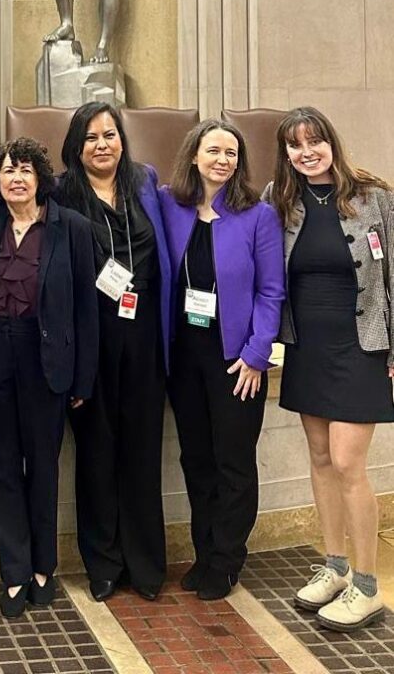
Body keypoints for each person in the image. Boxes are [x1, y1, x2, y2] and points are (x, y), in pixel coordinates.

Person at [267, 107, 394, 630]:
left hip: (361, 346)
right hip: (307, 348)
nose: (306, 151)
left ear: (330, 142)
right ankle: (337, 567)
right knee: (319, 459)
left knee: (347, 463)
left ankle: (368, 585)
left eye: (314, 140)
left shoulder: (373, 196)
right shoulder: (280, 203)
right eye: (296, 145)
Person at [0, 137, 99, 617]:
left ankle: (45, 564)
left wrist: (83, 380)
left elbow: (88, 312)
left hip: (47, 358)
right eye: (7, 171)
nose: (16, 179)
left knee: (43, 466)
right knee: (1, 466)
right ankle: (14, 571)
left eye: (25, 170)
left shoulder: (73, 228)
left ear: (41, 178)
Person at [159, 120, 284, 600]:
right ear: (194, 155)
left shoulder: (258, 215)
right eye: (214, 150)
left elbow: (271, 291)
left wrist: (257, 355)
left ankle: (227, 560)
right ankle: (203, 552)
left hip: (236, 361)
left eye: (231, 153)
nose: (223, 160)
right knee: (197, 460)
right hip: (184, 359)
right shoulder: (172, 204)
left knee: (233, 463)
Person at [56, 102, 171, 601]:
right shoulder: (62, 194)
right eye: (91, 137)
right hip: (91, 332)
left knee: (144, 450)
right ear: (76, 146)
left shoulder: (144, 182)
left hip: (143, 326)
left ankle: (146, 564)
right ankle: (103, 563)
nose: (102, 145)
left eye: (110, 134)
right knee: (97, 451)